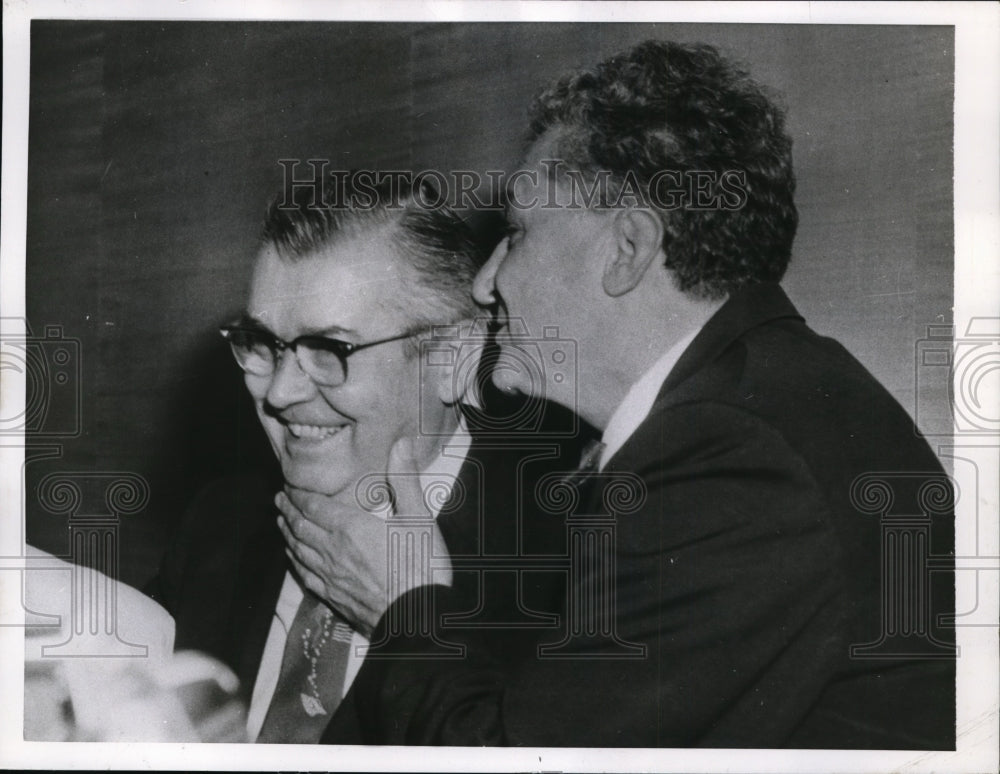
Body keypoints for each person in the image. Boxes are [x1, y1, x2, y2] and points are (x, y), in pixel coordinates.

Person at [278, 40, 955, 748]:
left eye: (516, 234)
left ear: (626, 249)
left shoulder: (730, 457)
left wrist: (406, 604)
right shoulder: (773, 400)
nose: (485, 283)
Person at [147, 175, 582, 743]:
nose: (279, 392)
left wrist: (408, 618)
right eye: (264, 345)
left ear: (453, 357)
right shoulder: (219, 524)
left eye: (329, 350)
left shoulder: (570, 562)